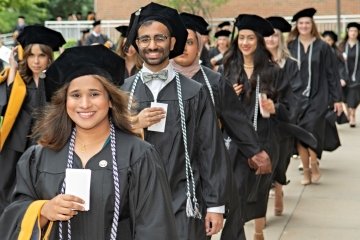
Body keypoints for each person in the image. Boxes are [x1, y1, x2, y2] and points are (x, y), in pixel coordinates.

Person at [0, 45, 177, 239]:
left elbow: (156, 227)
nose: (84, 104)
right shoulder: (39, 157)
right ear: (64, 101)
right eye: (75, 95)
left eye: (94, 94)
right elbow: (14, 213)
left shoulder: (139, 155)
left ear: (110, 100)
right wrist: (43, 210)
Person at [121, 3, 229, 239]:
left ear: (171, 43)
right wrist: (133, 124)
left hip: (184, 197)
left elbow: (210, 148)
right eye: (145, 39)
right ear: (137, 44)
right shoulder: (123, 93)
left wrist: (215, 206)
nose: (152, 45)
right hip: (136, 202)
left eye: (160, 38)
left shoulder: (194, 92)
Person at [172, 13, 272, 240]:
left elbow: (236, 120)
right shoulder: (157, 80)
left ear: (199, 45)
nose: (182, 48)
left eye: (189, 42)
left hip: (202, 168)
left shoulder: (213, 81)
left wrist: (255, 151)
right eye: (177, 42)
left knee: (195, 230)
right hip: (166, 167)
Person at [221, 14, 294, 240]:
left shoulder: (272, 71)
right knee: (238, 194)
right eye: (241, 37)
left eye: (250, 38)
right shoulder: (228, 69)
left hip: (263, 142)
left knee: (258, 192)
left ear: (259, 41)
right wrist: (226, 96)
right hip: (234, 144)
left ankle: (258, 231)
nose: (245, 43)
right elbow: (215, 106)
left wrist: (275, 107)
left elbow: (290, 106)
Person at [0, 25, 66, 215]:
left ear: (49, 57)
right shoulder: (20, 80)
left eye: (42, 55)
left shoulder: (57, 82)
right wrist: (12, 68)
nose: (36, 61)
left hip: (47, 142)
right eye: (31, 55)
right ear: (25, 56)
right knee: (8, 186)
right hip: (16, 143)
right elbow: (4, 107)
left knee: (41, 187)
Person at [287, 8, 343, 185]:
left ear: (313, 25)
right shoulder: (290, 46)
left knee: (311, 129)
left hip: (318, 96)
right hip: (295, 98)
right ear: (297, 26)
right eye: (301, 23)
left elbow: (332, 73)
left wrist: (337, 99)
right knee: (299, 134)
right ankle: (307, 171)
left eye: (307, 23)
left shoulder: (323, 47)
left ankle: (313, 163)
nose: (304, 26)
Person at [265, 16, 301, 217]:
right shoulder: (257, 63)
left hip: (282, 120)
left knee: (281, 158)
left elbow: (294, 94)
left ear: (280, 39)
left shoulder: (290, 64)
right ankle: (266, 194)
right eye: (267, 36)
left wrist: (279, 109)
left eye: (274, 36)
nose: (270, 40)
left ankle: (278, 188)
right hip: (261, 121)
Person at [339, 22, 360, 127]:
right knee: (345, 96)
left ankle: (352, 115)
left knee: (354, 94)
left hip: (357, 75)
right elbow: (337, 62)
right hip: (344, 75)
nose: (353, 33)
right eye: (351, 30)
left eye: (355, 31)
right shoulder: (342, 46)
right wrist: (341, 77)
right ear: (348, 32)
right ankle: (348, 113)